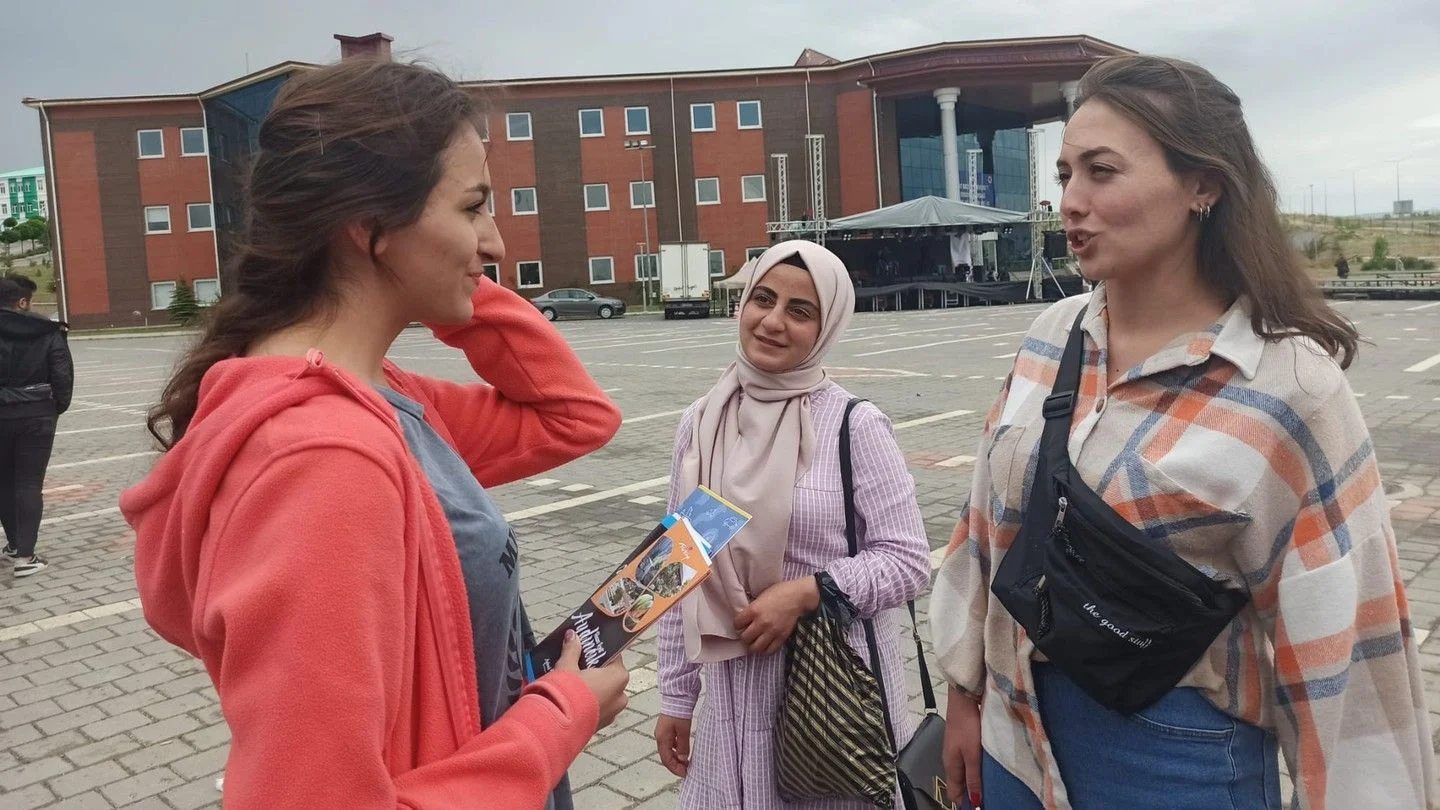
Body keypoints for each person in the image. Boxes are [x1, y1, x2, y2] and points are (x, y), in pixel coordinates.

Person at [118, 59, 630, 810]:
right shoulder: (323, 459)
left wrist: (449, 288)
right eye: (473, 208)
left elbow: (575, 417)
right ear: (369, 227)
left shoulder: (379, 395)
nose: (495, 244)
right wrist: (558, 716)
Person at [931, 54, 1436, 810]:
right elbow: (984, 528)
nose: (1071, 201)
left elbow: (1349, 639)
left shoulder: (1287, 384)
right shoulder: (1050, 337)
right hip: (1012, 742)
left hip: (1173, 765)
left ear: (1203, 185)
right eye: (1065, 174)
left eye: (1102, 172)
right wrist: (963, 691)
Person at [653, 240, 931, 808]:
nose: (773, 321)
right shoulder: (703, 421)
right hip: (730, 700)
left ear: (827, 328)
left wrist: (807, 592)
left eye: (800, 311)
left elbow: (908, 561)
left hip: (829, 701)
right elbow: (680, 563)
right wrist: (676, 698)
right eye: (763, 299)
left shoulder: (855, 426)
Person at [1, 274, 71, 577]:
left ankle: (15, 545)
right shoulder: (48, 331)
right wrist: (53, 409)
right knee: (29, 483)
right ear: (22, 302)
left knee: (4, 482)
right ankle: (25, 557)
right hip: (37, 414)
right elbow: (63, 377)